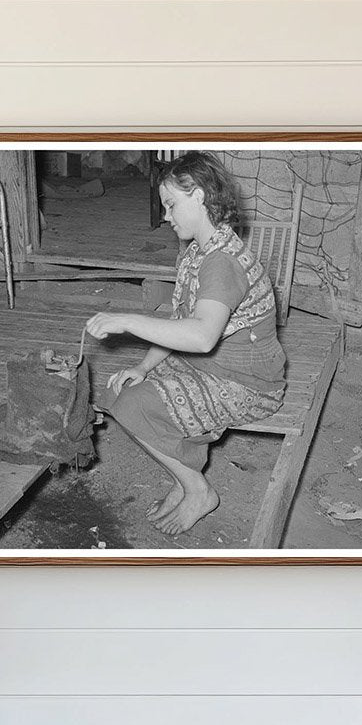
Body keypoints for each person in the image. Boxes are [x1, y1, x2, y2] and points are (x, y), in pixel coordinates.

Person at [85, 151, 287, 536]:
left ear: (199, 196)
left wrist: (127, 320)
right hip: (212, 365)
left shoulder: (221, 262)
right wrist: (143, 366)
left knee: (134, 403)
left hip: (247, 382)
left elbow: (201, 335)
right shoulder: (198, 251)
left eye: (171, 205)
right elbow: (181, 322)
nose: (166, 216)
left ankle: (198, 490)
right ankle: (183, 479)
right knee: (120, 389)